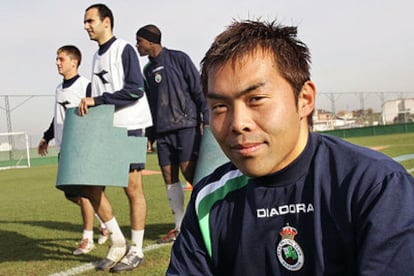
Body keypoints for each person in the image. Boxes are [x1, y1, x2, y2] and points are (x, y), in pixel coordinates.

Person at [167, 19, 414, 275]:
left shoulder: (374, 185)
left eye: (256, 99)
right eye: (220, 107)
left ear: (304, 99)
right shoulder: (209, 199)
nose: (238, 124)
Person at [78, 4, 152, 272]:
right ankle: (118, 241)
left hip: (129, 127)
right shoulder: (96, 56)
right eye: (85, 22)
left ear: (106, 21)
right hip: (106, 130)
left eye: (90, 21)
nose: (86, 26)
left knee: (132, 189)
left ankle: (137, 249)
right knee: (90, 186)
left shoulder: (124, 49)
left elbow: (135, 90)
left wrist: (97, 100)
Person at [135, 24, 209, 243]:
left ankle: (207, 217)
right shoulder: (147, 70)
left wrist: (207, 117)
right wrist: (150, 134)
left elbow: (197, 89)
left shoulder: (179, 59)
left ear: (150, 41)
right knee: (169, 176)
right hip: (162, 132)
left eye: (139, 41)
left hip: (186, 126)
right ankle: (179, 227)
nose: (137, 45)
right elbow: (150, 102)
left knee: (190, 172)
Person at [38, 45, 109, 256]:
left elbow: (97, 114)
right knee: (71, 195)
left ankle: (87, 238)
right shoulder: (59, 89)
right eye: (56, 59)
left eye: (61, 59)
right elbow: (57, 116)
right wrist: (47, 137)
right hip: (64, 148)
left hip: (80, 148)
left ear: (74, 62)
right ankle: (103, 223)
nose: (57, 63)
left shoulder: (86, 86)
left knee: (85, 194)